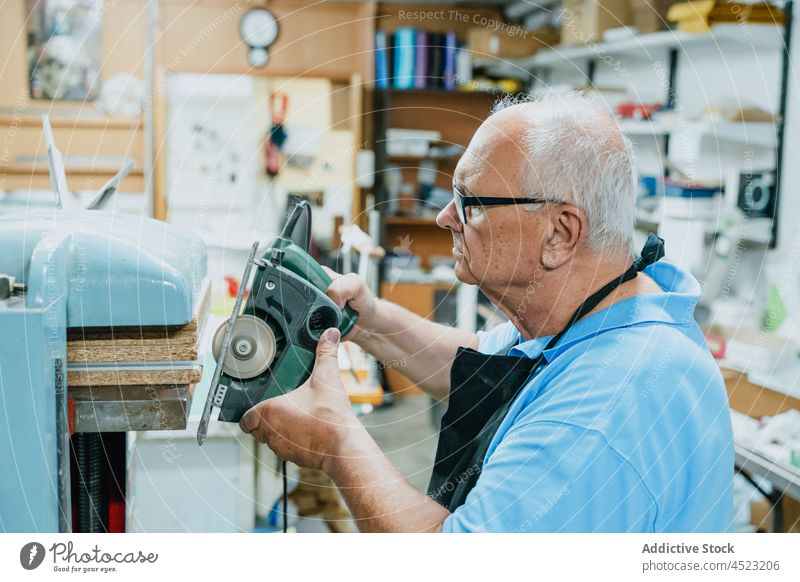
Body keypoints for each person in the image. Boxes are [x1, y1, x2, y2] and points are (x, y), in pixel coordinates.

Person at [239, 88, 734, 532]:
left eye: (471, 202)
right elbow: (482, 364)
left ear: (560, 233)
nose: (445, 217)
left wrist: (338, 444)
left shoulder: (606, 405)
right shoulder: (598, 311)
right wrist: (366, 319)